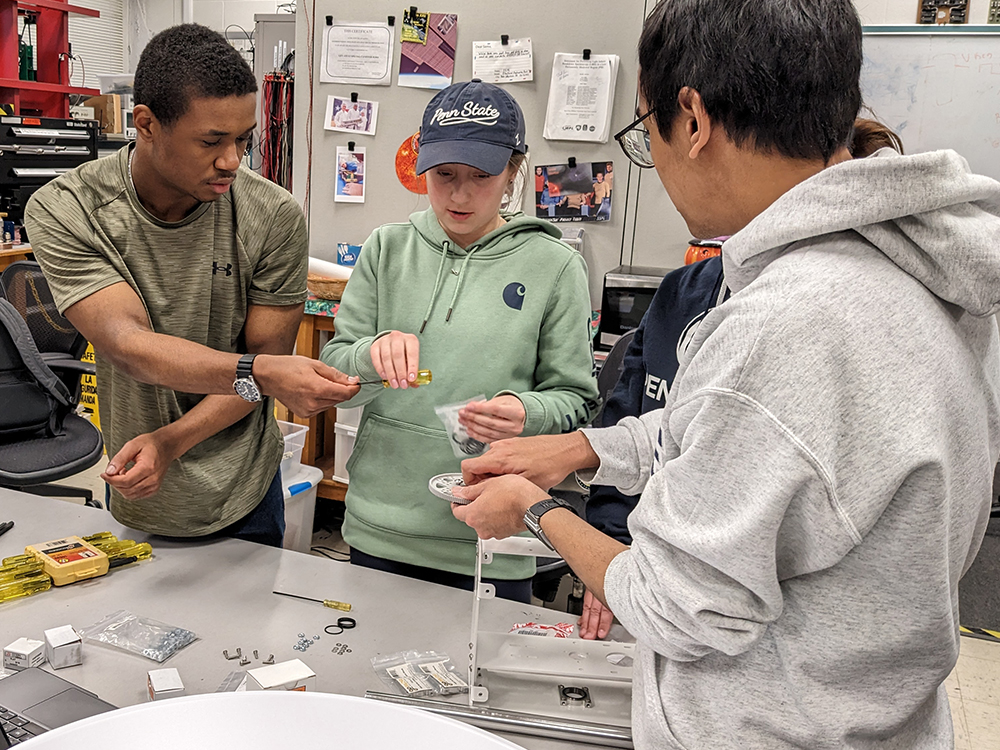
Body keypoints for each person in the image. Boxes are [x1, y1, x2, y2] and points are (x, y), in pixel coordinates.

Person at [452, 1, 1000, 747]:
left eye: (646, 135)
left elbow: (680, 606)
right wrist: (585, 451)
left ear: (694, 119)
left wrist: (534, 510)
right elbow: (747, 442)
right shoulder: (906, 266)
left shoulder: (790, 322)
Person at [25, 24, 359, 546]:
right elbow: (129, 346)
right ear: (147, 124)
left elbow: (255, 379)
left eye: (244, 139)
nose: (232, 160)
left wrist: (171, 440)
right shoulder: (68, 210)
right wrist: (264, 373)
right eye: (212, 141)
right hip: (137, 489)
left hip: (246, 490)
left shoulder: (271, 216)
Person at [579, 117, 908, 641]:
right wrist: (606, 543)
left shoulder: (801, 322)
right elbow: (669, 430)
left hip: (745, 644)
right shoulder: (682, 294)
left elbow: (696, 601)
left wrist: (540, 512)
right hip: (650, 594)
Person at [321, 79, 599, 603]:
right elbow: (335, 371)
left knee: (475, 683)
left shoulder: (555, 265)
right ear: (422, 167)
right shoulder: (386, 248)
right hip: (379, 525)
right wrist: (367, 356)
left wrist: (526, 410)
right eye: (444, 175)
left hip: (494, 537)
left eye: (482, 176)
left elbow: (576, 404)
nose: (460, 194)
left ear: (513, 172)